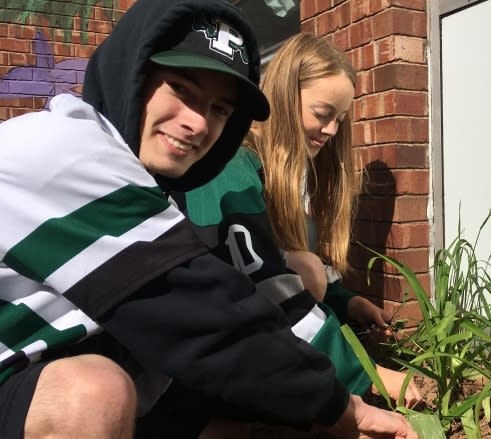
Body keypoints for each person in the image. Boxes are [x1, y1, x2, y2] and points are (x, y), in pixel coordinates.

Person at [0, 1, 417, 438]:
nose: (198, 123)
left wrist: (340, 317)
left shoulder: (155, 185)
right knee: (90, 394)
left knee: (232, 416)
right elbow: (202, 312)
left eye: (220, 109)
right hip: (32, 375)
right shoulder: (64, 151)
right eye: (181, 89)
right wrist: (343, 402)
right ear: (133, 71)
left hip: (59, 367)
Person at [247, 32, 422, 404]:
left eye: (340, 119)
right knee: (306, 269)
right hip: (241, 333)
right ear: (283, 93)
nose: (332, 130)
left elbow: (301, 263)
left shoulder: (300, 172)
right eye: (323, 115)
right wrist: (364, 376)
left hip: (276, 325)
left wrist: (348, 302)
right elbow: (266, 276)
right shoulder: (245, 165)